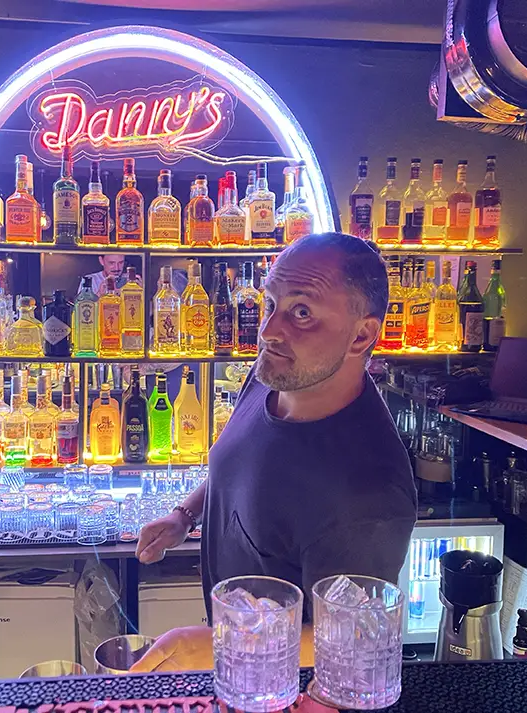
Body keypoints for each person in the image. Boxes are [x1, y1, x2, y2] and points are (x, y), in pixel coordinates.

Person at [132, 232, 417, 672]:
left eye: (302, 312)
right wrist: (184, 516)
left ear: (362, 335)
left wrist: (209, 644)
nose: (268, 331)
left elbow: (357, 642)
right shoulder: (277, 376)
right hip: (242, 672)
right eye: (270, 305)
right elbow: (241, 462)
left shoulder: (367, 494)